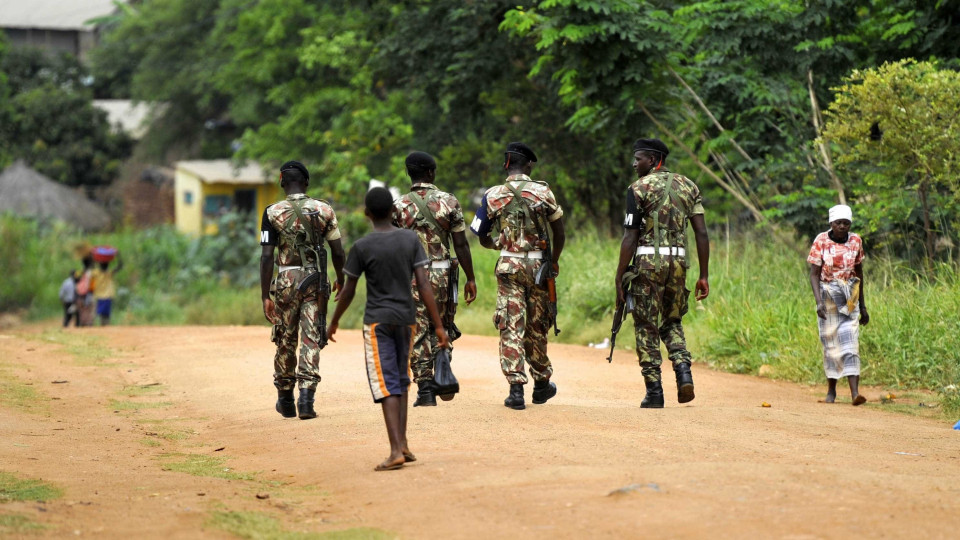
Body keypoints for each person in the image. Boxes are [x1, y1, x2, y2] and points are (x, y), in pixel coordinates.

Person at [327, 187, 449, 471]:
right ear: (394, 211)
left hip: (378, 322)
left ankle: (395, 450)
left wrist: (334, 321)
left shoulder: (362, 246)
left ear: (366, 213)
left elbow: (348, 290)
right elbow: (424, 284)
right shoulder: (410, 240)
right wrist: (439, 325)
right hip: (407, 320)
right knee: (402, 380)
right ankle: (403, 444)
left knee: (386, 383)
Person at [614, 138, 710, 409]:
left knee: (646, 324)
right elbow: (701, 232)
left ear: (654, 160)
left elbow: (629, 236)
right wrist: (703, 274)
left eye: (639, 159)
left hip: (648, 265)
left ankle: (654, 391)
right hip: (679, 265)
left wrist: (619, 276)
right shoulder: (689, 186)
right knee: (672, 319)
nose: (634, 164)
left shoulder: (637, 189)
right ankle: (683, 371)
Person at [470, 142, 564, 410]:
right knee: (537, 324)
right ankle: (542, 383)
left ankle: (515, 391)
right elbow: (559, 232)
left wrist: (498, 243)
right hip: (538, 268)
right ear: (529, 165)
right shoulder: (543, 192)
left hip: (509, 266)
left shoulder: (493, 195)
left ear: (506, 164)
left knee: (511, 324)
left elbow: (480, 233)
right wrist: (554, 261)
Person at [260, 160, 346, 420]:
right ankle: (306, 401)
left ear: (281, 181)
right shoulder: (324, 209)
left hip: (285, 281)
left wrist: (265, 295)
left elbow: (266, 256)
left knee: (285, 338)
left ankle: (285, 398)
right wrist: (341, 278)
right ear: (306, 182)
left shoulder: (271, 212)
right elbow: (338, 251)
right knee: (311, 338)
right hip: (315, 280)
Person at [393, 151, 477, 407]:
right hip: (442, 273)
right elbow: (461, 244)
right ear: (431, 173)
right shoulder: (449, 201)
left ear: (409, 174)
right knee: (442, 323)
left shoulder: (398, 206)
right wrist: (470, 278)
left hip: (411, 275)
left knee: (417, 329)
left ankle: (426, 390)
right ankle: (442, 366)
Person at [807, 204, 869, 405]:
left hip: (850, 294)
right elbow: (814, 275)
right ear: (831, 224)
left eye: (846, 223)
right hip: (828, 294)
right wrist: (818, 302)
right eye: (838, 223)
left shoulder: (856, 241)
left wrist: (863, 306)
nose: (842, 227)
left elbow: (859, 272)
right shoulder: (821, 241)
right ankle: (831, 390)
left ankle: (854, 394)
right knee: (831, 342)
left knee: (851, 342)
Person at [91, 253, 123, 326]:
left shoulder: (100, 272)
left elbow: (119, 266)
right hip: (105, 296)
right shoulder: (107, 273)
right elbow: (119, 266)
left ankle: (103, 328)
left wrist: (93, 256)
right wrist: (118, 256)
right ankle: (104, 327)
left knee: (101, 315)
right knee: (104, 315)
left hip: (100, 296)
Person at [76, 255, 95, 327]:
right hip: (89, 292)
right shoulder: (92, 272)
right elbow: (92, 284)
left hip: (80, 293)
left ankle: (83, 323)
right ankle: (89, 324)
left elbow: (76, 281)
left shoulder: (80, 272)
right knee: (89, 310)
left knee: (82, 310)